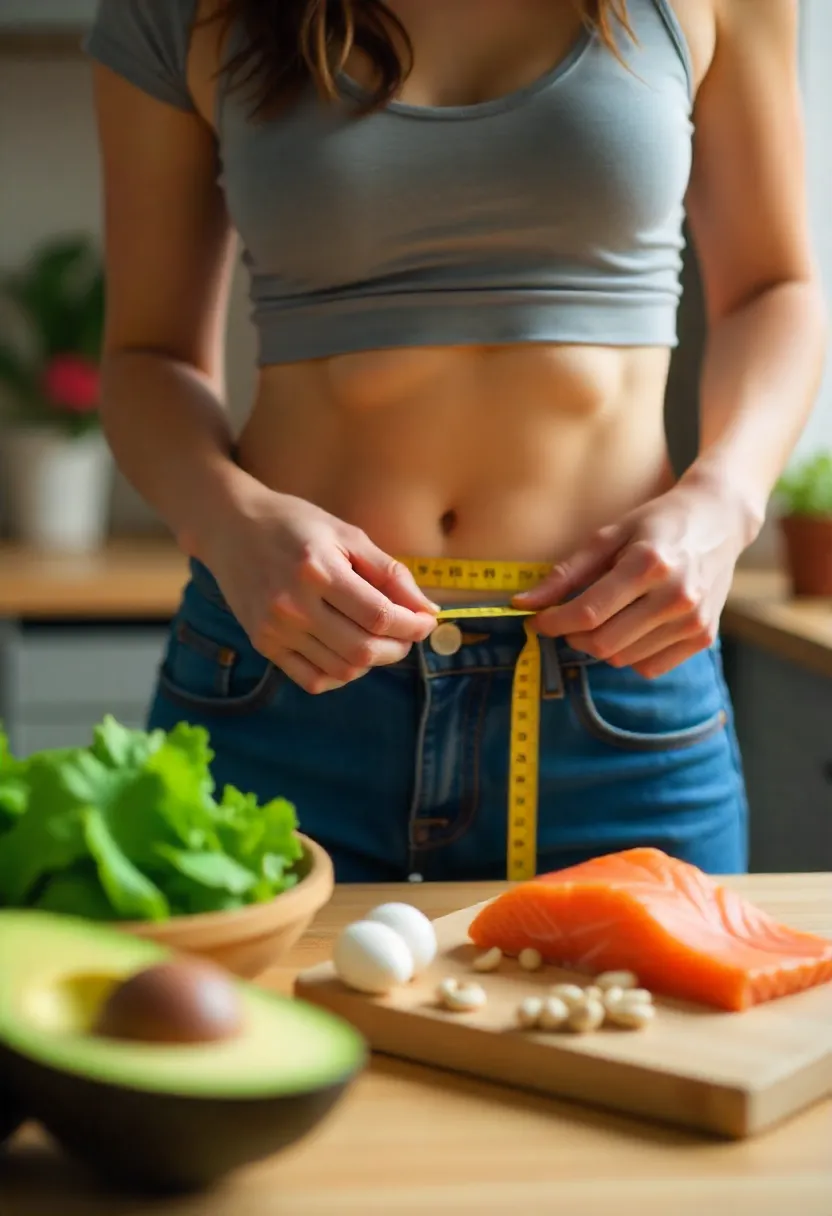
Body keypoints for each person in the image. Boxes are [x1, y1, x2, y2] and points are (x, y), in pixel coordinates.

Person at [83, 0, 826, 883]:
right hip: (288, 666)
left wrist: (726, 501)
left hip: (617, 673)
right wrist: (226, 520)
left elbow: (774, 288)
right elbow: (149, 356)